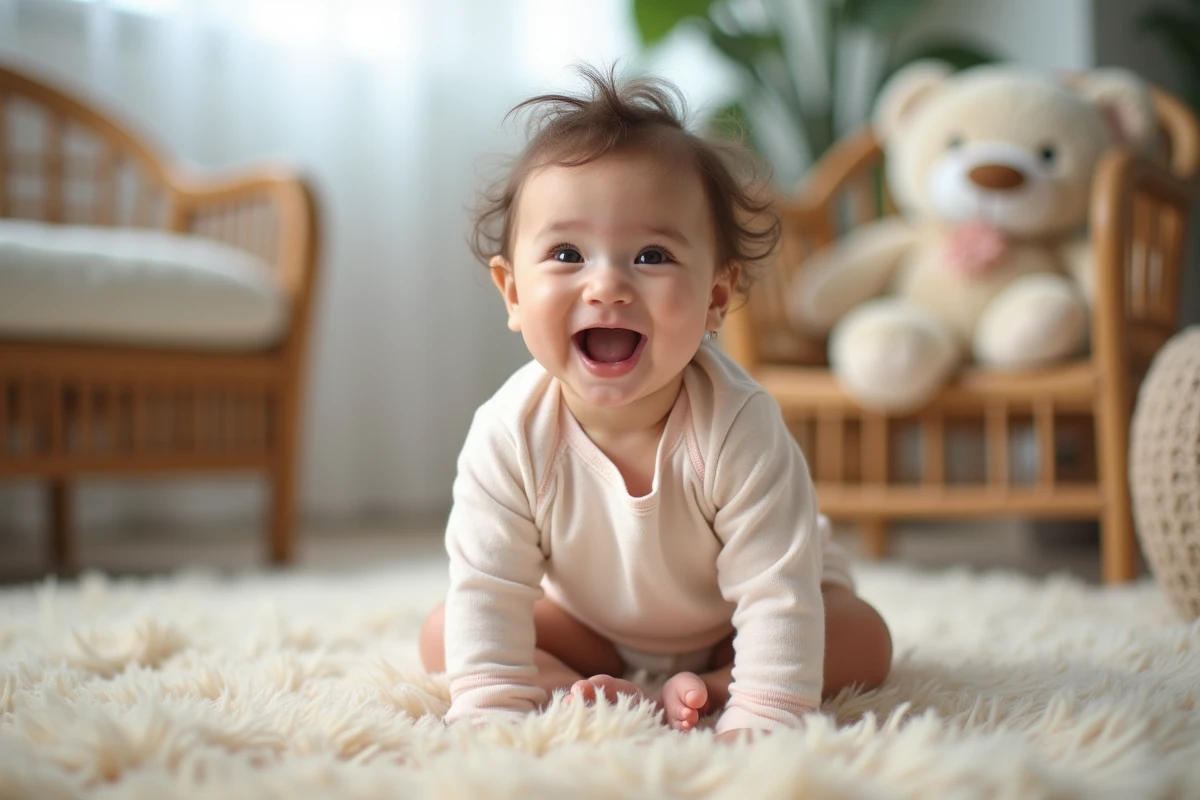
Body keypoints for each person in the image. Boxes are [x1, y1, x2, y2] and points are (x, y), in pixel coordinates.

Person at [419, 64, 892, 742]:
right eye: (566, 253)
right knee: (450, 634)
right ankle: (595, 694)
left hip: (738, 623)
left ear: (716, 298)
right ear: (513, 292)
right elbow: (490, 585)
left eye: (650, 256)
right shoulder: (508, 433)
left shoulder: (737, 423)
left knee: (863, 640)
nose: (607, 285)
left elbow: (775, 591)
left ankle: (714, 690)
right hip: (595, 628)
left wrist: (763, 712)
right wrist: (492, 711)